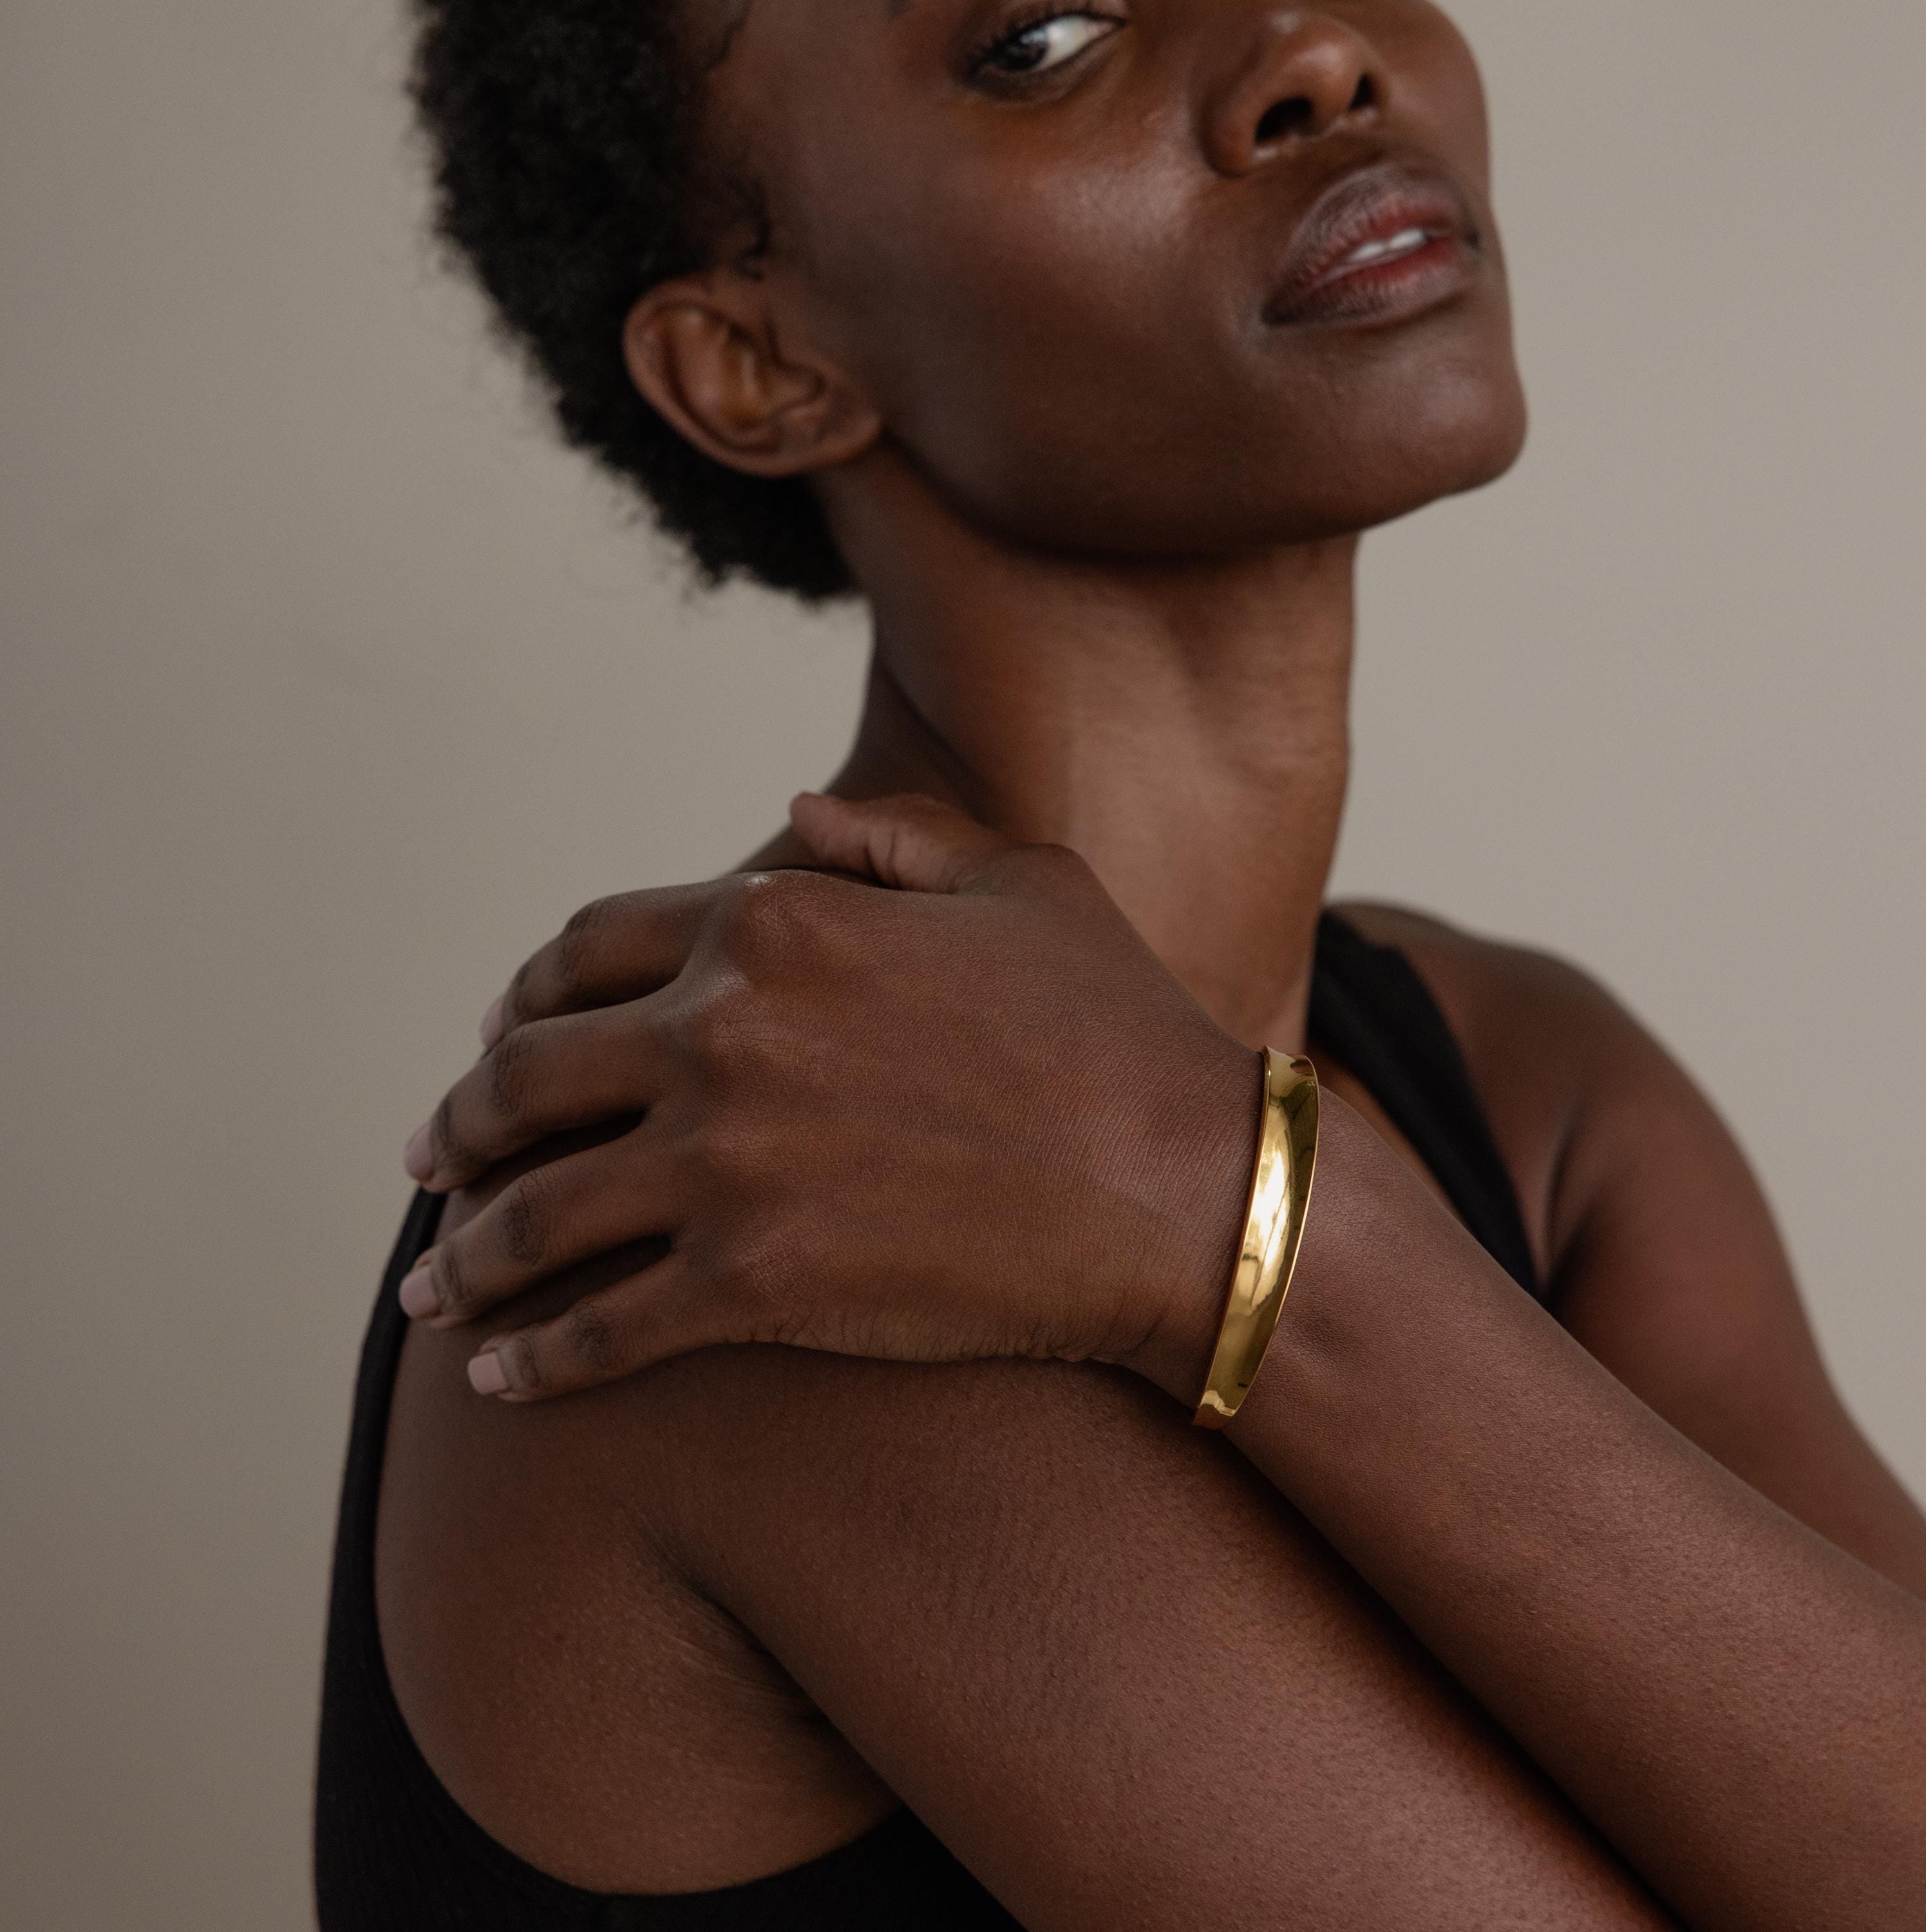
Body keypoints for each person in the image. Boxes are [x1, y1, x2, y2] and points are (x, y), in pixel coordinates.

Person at [316, 3, 1926, 1927]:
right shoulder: (730, 1180)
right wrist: (1247, 1218)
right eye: (1045, 35)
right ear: (760, 366)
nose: (1311, 54)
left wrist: (1229, 1207)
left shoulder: (1534, 1089)